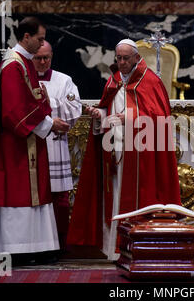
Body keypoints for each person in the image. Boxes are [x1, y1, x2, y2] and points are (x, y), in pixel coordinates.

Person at [67, 38, 181, 260]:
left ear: (137, 57)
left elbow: (159, 119)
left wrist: (128, 118)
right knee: (115, 197)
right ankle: (115, 249)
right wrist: (99, 115)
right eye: (118, 58)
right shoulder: (113, 81)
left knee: (139, 198)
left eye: (125, 58)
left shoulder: (150, 82)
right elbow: (107, 109)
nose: (121, 63)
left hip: (142, 155)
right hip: (115, 151)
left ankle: (140, 249)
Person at [0, 17, 70, 266]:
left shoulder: (23, 63)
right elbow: (15, 111)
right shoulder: (13, 66)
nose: (42, 44)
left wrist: (49, 119)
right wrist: (50, 124)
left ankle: (35, 247)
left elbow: (33, 100)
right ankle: (16, 249)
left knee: (31, 196)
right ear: (26, 37)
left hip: (27, 141)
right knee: (17, 196)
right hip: (15, 147)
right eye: (39, 39)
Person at [32, 40, 82, 253]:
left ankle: (58, 246)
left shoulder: (64, 80)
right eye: (38, 58)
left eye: (47, 58)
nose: (43, 62)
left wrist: (47, 102)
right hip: (30, 149)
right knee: (34, 198)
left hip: (55, 146)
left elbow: (74, 109)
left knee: (58, 199)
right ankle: (34, 246)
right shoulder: (21, 79)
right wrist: (53, 106)